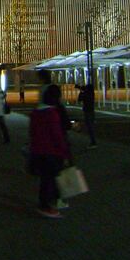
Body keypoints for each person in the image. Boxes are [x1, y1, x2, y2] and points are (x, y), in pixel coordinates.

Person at [29, 84, 70, 219]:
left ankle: (47, 203)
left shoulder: (36, 112)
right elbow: (57, 135)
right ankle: (46, 205)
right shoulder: (51, 113)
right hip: (51, 151)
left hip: (37, 150)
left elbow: (32, 132)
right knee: (50, 179)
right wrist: (64, 152)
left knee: (45, 179)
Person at [76, 83, 97, 148]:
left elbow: (79, 99)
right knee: (91, 126)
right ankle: (93, 141)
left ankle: (93, 142)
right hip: (91, 111)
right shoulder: (91, 93)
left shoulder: (86, 94)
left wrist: (81, 91)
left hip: (87, 111)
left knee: (90, 127)